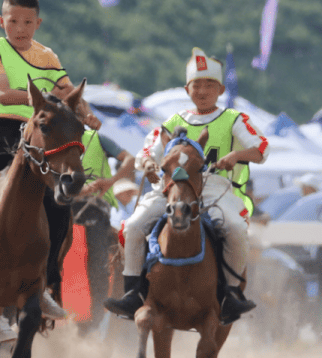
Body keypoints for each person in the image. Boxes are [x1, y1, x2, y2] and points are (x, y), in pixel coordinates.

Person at [0, 0, 100, 327]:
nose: (20, 28)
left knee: (59, 208)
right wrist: (43, 103)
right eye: (13, 21)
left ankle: (44, 284)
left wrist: (84, 112)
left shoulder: (47, 55)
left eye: (27, 22)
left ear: (38, 24)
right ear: (2, 22)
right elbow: (2, 92)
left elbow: (68, 92)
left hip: (39, 136)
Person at [103, 47, 267, 324]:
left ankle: (231, 293)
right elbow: (147, 152)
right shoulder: (172, 122)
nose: (202, 91)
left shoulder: (234, 120)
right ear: (187, 88)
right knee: (132, 226)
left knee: (237, 228)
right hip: (171, 186)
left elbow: (261, 149)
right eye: (196, 85)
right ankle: (133, 293)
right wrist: (150, 166)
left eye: (209, 85)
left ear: (221, 89)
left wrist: (236, 155)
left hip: (216, 187)